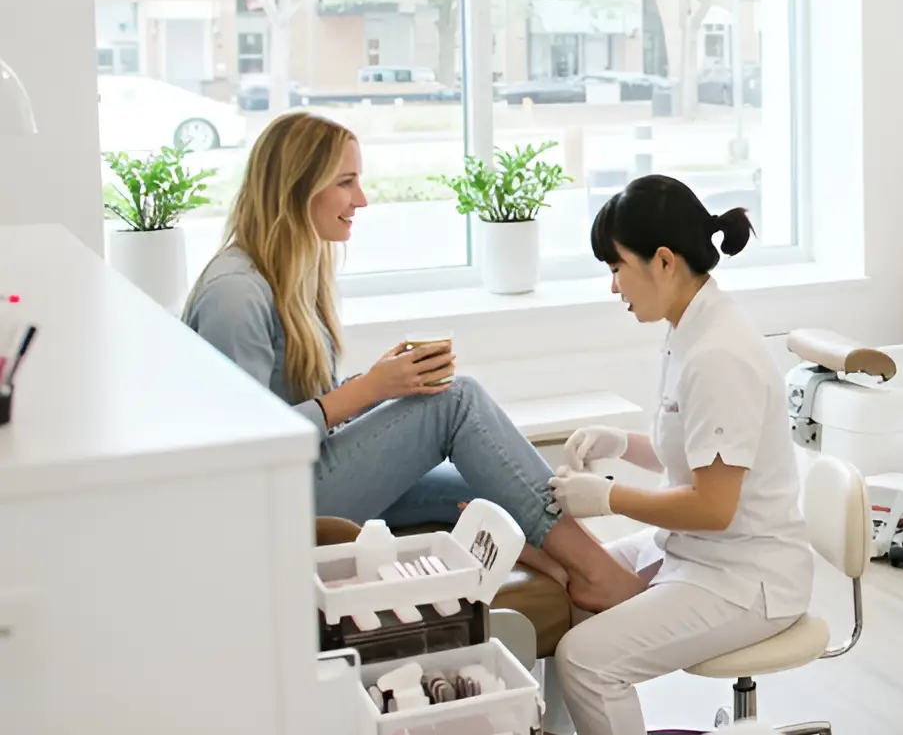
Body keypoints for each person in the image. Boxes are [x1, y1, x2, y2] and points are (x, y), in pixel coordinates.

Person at [183, 111, 643, 612]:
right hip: (272, 507)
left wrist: (380, 382)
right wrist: (368, 391)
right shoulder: (236, 295)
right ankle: (606, 577)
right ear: (296, 187)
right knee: (458, 401)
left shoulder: (286, 274)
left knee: (484, 481)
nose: (361, 199)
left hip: (304, 479)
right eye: (346, 182)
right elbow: (246, 453)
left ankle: (575, 573)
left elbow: (303, 407)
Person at [545, 175, 812, 735]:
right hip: (699, 551)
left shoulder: (718, 354)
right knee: (567, 595)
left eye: (617, 268)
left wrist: (608, 496)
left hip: (745, 578)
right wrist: (619, 442)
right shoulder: (687, 329)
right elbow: (695, 454)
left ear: (663, 262)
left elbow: (712, 505)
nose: (614, 287)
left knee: (587, 662)